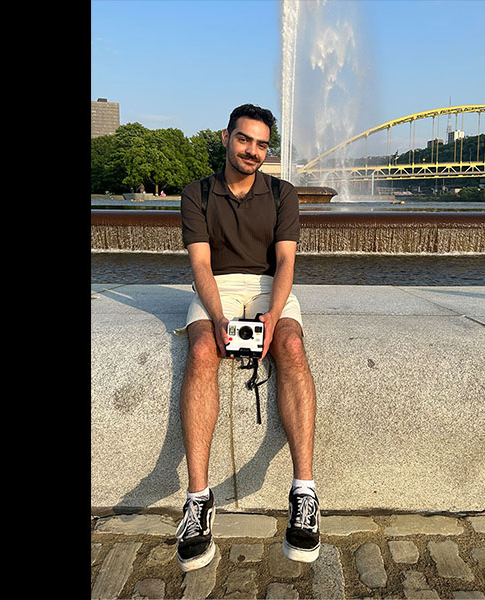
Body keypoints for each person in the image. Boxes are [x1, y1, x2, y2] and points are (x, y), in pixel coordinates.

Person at [172, 104, 319, 572]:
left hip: (266, 286)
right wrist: (217, 320)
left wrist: (273, 316)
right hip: (217, 284)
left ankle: (304, 493)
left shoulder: (282, 193)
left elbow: (287, 264)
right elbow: (199, 265)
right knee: (200, 350)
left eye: (260, 144)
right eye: (244, 139)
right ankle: (198, 501)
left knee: (292, 347)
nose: (252, 150)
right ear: (225, 137)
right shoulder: (196, 193)